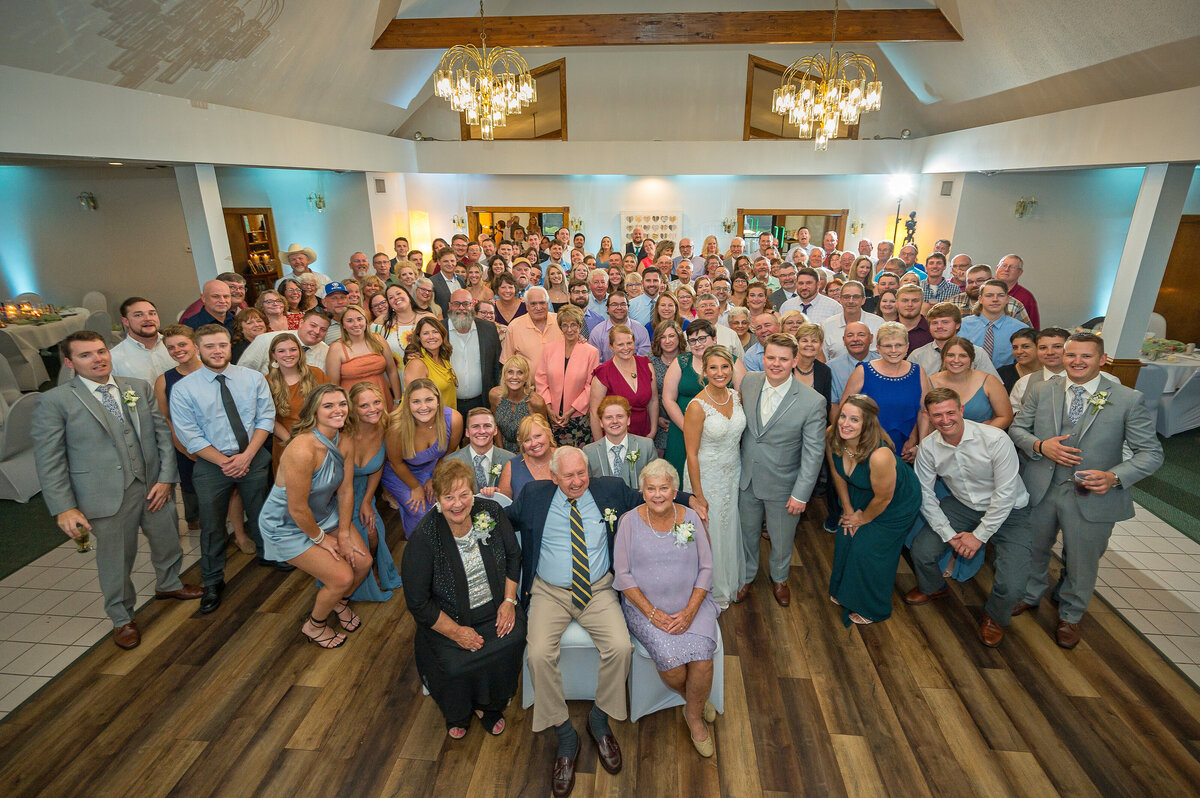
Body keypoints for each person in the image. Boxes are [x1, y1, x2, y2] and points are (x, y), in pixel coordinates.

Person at [504, 445, 702, 797]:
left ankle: (599, 718)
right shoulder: (534, 495)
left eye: (582, 473)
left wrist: (692, 499)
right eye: (569, 476)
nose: (578, 481)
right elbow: (507, 521)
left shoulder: (609, 490)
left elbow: (650, 491)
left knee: (621, 647)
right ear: (553, 477)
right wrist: (468, 506)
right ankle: (564, 733)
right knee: (536, 656)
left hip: (598, 589)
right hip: (549, 591)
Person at [33, 331, 201, 650]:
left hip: (153, 485)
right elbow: (48, 459)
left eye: (100, 351)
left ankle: (169, 583)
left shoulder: (136, 387)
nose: (97, 359)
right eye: (86, 355)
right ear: (69, 362)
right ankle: (121, 616)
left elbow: (162, 435)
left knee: (168, 540)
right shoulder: (55, 401)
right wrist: (64, 508)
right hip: (104, 495)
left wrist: (166, 479)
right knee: (116, 560)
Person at [1009, 333, 1163, 649]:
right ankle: (1029, 593)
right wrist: (1040, 445)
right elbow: (1017, 430)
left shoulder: (1126, 399)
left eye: (1086, 356)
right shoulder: (1040, 390)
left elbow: (1151, 453)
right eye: (1071, 355)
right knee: (1034, 548)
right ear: (1063, 358)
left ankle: (1070, 615)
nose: (1077, 362)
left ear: (1102, 360)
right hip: (1043, 487)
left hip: (1092, 494)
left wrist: (1114, 477)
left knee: (1082, 560)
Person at [401, 459, 525, 738]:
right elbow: (418, 603)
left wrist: (508, 601)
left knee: (513, 637)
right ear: (438, 498)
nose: (457, 504)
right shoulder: (425, 537)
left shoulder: (490, 511)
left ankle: (488, 704)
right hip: (449, 618)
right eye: (449, 497)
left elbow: (514, 555)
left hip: (495, 606)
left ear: (474, 493)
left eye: (464, 494)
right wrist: (457, 633)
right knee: (455, 663)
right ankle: (458, 711)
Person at [168, 324, 284, 615]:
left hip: (253, 455)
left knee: (262, 511)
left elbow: (265, 417)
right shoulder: (184, 389)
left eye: (222, 345)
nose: (217, 351)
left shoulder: (253, 378)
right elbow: (189, 436)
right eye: (209, 346)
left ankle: (267, 554)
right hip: (211, 464)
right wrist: (225, 462)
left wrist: (247, 456)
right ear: (197, 349)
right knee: (212, 524)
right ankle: (212, 580)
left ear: (229, 347)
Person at [906, 388, 1033, 647]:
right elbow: (924, 493)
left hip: (1011, 511)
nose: (945, 420)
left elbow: (1005, 495)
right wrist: (949, 535)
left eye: (951, 412)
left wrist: (978, 536)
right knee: (921, 550)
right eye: (937, 415)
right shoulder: (929, 446)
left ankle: (995, 615)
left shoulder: (995, 439)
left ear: (962, 410)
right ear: (929, 417)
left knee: (1013, 583)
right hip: (962, 504)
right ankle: (933, 588)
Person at [612, 458, 720, 758]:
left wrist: (689, 611)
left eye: (663, 488)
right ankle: (695, 699)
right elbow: (622, 575)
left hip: (692, 603)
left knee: (702, 660)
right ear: (642, 491)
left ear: (675, 491)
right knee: (672, 663)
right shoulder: (629, 522)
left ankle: (694, 716)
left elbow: (707, 567)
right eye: (650, 488)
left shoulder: (691, 518)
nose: (657, 494)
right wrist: (651, 613)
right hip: (645, 608)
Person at [258, 383, 370, 649]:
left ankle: (338, 603)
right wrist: (322, 539)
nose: (338, 410)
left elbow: (345, 491)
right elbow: (296, 508)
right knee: (341, 576)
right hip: (286, 524)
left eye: (342, 404)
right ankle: (315, 625)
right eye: (328, 406)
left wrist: (343, 532)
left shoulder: (345, 439)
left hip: (323, 514)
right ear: (314, 411)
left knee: (363, 563)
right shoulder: (302, 449)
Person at [735, 334, 827, 607]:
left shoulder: (812, 401)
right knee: (746, 533)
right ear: (763, 358)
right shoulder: (749, 383)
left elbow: (813, 453)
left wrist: (801, 494)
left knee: (782, 538)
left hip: (784, 483)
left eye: (783, 359)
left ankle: (779, 578)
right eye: (771, 357)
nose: (776, 364)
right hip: (747, 478)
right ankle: (747, 576)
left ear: (795, 361)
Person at [826, 394, 921, 625]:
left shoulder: (880, 456)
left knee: (868, 549)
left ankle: (872, 607)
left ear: (867, 423)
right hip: (863, 489)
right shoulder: (831, 434)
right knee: (845, 535)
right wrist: (848, 510)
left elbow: (884, 498)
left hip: (896, 502)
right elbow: (837, 473)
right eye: (843, 417)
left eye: (854, 420)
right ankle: (844, 589)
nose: (845, 424)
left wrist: (861, 519)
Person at [682, 345, 746, 607]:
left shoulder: (737, 397)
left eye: (725, 367)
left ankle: (727, 581)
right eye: (713, 368)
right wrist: (698, 494)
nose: (720, 373)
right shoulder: (697, 406)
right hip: (706, 476)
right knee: (709, 530)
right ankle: (706, 588)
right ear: (704, 372)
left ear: (732, 369)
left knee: (727, 526)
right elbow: (692, 454)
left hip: (732, 472)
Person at [382, 378, 463, 537]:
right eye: (416, 402)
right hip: (400, 472)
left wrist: (434, 477)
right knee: (420, 511)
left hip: (433, 467)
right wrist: (416, 487)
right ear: (408, 404)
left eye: (429, 400)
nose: (423, 407)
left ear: (438, 400)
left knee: (442, 506)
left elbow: (448, 452)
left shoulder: (454, 419)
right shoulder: (397, 428)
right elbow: (395, 463)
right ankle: (419, 548)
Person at [343, 382, 403, 601]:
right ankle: (351, 577)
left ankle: (374, 568)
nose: (373, 409)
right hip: (337, 495)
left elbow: (376, 467)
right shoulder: (344, 435)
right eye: (364, 405)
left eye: (377, 402)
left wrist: (368, 501)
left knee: (374, 530)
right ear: (353, 409)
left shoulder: (385, 427)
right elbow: (340, 484)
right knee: (364, 533)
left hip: (362, 491)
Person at [840, 322, 931, 463]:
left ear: (907, 346)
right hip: (867, 448)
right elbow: (844, 410)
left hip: (907, 451)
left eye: (899, 345)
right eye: (888, 346)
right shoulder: (863, 371)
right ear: (878, 348)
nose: (893, 350)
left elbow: (924, 412)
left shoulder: (918, 372)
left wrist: (921, 447)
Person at [154, 325, 203, 531]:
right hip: (184, 444)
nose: (177, 350)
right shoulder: (164, 380)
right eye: (171, 347)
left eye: (182, 344)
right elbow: (165, 418)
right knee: (191, 486)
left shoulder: (214, 370)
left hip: (218, 440)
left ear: (195, 345)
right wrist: (183, 447)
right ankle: (196, 521)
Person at [535, 305, 600, 449]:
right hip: (552, 417)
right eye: (565, 325)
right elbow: (541, 379)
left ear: (580, 326)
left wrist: (571, 411)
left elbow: (590, 386)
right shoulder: (549, 349)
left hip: (579, 418)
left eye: (573, 325)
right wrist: (549, 408)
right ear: (560, 327)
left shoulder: (591, 352)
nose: (569, 329)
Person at [265, 332, 329, 472]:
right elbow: (268, 418)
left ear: (300, 352)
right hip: (286, 443)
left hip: (319, 440)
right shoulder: (266, 381)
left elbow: (330, 408)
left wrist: (317, 438)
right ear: (274, 355)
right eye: (281, 351)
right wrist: (292, 441)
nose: (288, 354)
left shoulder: (316, 374)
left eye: (293, 349)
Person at [589, 325, 658, 441]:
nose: (626, 348)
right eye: (620, 344)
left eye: (629, 343)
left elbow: (653, 400)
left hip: (644, 433)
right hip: (614, 435)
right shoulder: (603, 372)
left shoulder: (646, 365)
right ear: (611, 346)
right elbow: (594, 412)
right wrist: (599, 445)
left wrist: (653, 429)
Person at [325, 305, 401, 407]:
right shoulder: (336, 348)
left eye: (359, 319)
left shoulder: (378, 340)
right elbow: (333, 385)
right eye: (350, 321)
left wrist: (397, 400)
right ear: (343, 324)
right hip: (353, 404)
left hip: (382, 399)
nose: (356, 324)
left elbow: (392, 371)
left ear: (366, 321)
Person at [929, 337, 1013, 428]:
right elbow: (924, 418)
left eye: (963, 356)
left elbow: (1005, 417)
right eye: (950, 355)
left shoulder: (989, 381)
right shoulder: (930, 382)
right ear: (943, 357)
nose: (956, 360)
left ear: (971, 358)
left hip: (983, 438)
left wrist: (981, 434)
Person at [908, 302, 1000, 380]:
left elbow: (994, 386)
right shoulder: (917, 356)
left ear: (957, 325)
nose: (939, 326)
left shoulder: (977, 353)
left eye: (945, 322)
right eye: (934, 323)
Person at [584, 395, 658, 488]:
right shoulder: (589, 451)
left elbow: (656, 481)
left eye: (620, 416)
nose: (615, 421)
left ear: (628, 420)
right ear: (601, 423)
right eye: (609, 417)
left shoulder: (646, 446)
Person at [446, 407, 518, 498]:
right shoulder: (451, 462)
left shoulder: (511, 459)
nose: (482, 431)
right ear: (467, 432)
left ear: (495, 430)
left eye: (487, 426)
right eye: (475, 426)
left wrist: (501, 494)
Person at [960, 280, 1032, 369]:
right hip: (967, 378)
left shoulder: (1021, 329)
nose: (995, 299)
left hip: (1006, 380)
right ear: (980, 299)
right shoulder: (962, 325)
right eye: (989, 295)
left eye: (1001, 295)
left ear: (1007, 299)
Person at [237, 309, 330, 374]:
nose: (317, 331)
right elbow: (242, 372)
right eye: (313, 325)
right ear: (301, 323)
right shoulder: (266, 340)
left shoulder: (327, 352)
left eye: (323, 329)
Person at [491, 354, 550, 453]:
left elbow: (544, 434)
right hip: (501, 449)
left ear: (526, 377)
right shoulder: (494, 396)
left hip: (530, 451)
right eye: (510, 372)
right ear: (504, 375)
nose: (514, 377)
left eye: (520, 372)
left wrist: (522, 456)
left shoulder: (536, 402)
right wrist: (501, 453)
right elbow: (495, 426)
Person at [109, 297, 175, 383]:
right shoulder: (114, 358)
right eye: (138, 315)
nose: (148, 318)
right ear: (125, 321)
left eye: (152, 313)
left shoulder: (178, 346)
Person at [403, 316, 459, 409]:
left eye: (435, 332)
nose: (431, 337)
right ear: (419, 337)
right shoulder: (417, 364)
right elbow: (414, 402)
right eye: (426, 333)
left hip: (446, 417)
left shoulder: (443, 358)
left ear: (442, 335)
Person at [497, 414, 557, 500]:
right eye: (527, 440)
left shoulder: (565, 457)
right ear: (522, 444)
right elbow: (503, 505)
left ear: (548, 433)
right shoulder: (512, 467)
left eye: (538, 436)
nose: (534, 443)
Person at [501, 286, 562, 368]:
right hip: (527, 381)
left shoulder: (561, 322)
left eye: (542, 303)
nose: (539, 308)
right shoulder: (514, 327)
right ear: (526, 306)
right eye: (533, 304)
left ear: (547, 304)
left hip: (559, 380)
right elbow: (507, 363)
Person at [821, 280, 884, 360]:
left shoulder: (878, 324)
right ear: (840, 299)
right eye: (846, 297)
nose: (851, 301)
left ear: (863, 300)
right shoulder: (827, 325)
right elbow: (824, 359)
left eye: (856, 297)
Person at [1009, 327, 1068, 411]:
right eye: (1043, 348)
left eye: (1057, 346)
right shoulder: (1024, 383)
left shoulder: (1085, 379)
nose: (1050, 352)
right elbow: (1015, 413)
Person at [648, 320, 683, 453]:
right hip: (657, 421)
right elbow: (645, 394)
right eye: (663, 337)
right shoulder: (649, 361)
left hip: (683, 420)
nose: (667, 341)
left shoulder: (688, 359)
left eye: (672, 336)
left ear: (679, 337)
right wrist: (655, 419)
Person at [588, 291, 651, 361]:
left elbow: (644, 360)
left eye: (623, 304)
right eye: (614, 304)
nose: (619, 308)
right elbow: (596, 363)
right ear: (607, 308)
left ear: (628, 307)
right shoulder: (597, 332)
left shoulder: (641, 330)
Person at [828, 322, 880, 403]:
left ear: (871, 338)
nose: (855, 339)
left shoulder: (883, 362)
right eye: (850, 335)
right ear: (844, 340)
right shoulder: (831, 368)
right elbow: (833, 404)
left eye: (861, 335)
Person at [373, 284, 428, 357]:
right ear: (389, 304)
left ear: (408, 295)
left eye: (398, 293)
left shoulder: (427, 318)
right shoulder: (380, 322)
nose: (396, 298)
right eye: (391, 297)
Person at [792, 323, 834, 411]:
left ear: (821, 345)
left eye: (814, 341)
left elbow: (826, 406)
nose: (809, 344)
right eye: (804, 341)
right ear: (797, 343)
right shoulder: (787, 366)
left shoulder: (824, 371)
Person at [996, 253, 1040, 328]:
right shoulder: (983, 291)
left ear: (1020, 273)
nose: (1006, 269)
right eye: (1004, 265)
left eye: (1012, 267)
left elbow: (1033, 329)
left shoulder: (1026, 298)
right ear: (997, 268)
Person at [998, 328, 1039, 394]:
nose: (1019, 351)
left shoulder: (1051, 371)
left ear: (1039, 347)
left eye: (1025, 346)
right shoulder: (1002, 374)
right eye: (1015, 348)